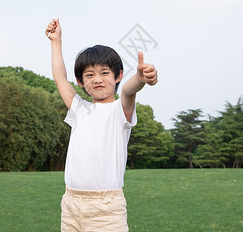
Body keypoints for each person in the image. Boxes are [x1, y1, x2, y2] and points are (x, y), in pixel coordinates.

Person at [45, 19, 158, 232]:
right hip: (70, 204)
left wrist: (141, 78)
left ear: (118, 76)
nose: (97, 80)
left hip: (106, 210)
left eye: (104, 73)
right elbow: (60, 78)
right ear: (80, 81)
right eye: (89, 75)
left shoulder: (119, 110)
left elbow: (128, 91)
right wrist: (56, 41)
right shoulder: (79, 108)